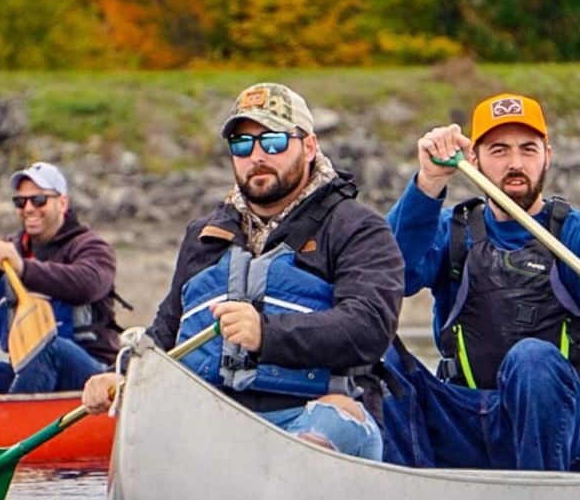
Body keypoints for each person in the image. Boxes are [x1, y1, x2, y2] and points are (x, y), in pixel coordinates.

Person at [82, 82, 404, 460]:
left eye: (273, 142)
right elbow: (166, 333)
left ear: (310, 146)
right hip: (216, 419)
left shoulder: (357, 229)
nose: (256, 156)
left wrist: (266, 334)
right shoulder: (203, 236)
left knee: (334, 420)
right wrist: (123, 377)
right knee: (141, 429)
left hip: (315, 413)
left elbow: (369, 328)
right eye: (242, 144)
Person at [382, 92, 580, 472]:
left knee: (532, 359)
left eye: (528, 149)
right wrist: (428, 182)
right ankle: (407, 493)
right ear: (474, 160)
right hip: (466, 420)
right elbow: (388, 275)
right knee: (374, 347)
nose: (515, 163)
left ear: (547, 154)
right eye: (499, 151)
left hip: (565, 429)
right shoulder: (450, 230)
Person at [0, 161, 124, 396]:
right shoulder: (10, 249)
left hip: (91, 373)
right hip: (26, 370)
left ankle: (10, 426)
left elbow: (88, 284)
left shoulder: (91, 246)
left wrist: (23, 268)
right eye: (21, 201)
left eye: (39, 200)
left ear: (62, 203)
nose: (29, 208)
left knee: (49, 346)